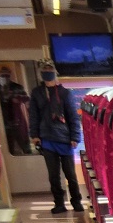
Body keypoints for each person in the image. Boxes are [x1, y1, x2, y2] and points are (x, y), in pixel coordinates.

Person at [28, 61, 83, 214]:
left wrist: (75, 137)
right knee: (53, 175)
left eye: (50, 69)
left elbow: (73, 116)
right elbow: (33, 116)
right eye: (44, 69)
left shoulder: (65, 93)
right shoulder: (37, 93)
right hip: (47, 140)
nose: (47, 72)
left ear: (55, 72)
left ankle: (76, 201)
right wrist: (34, 135)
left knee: (71, 175)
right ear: (41, 73)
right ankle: (59, 203)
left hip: (65, 139)